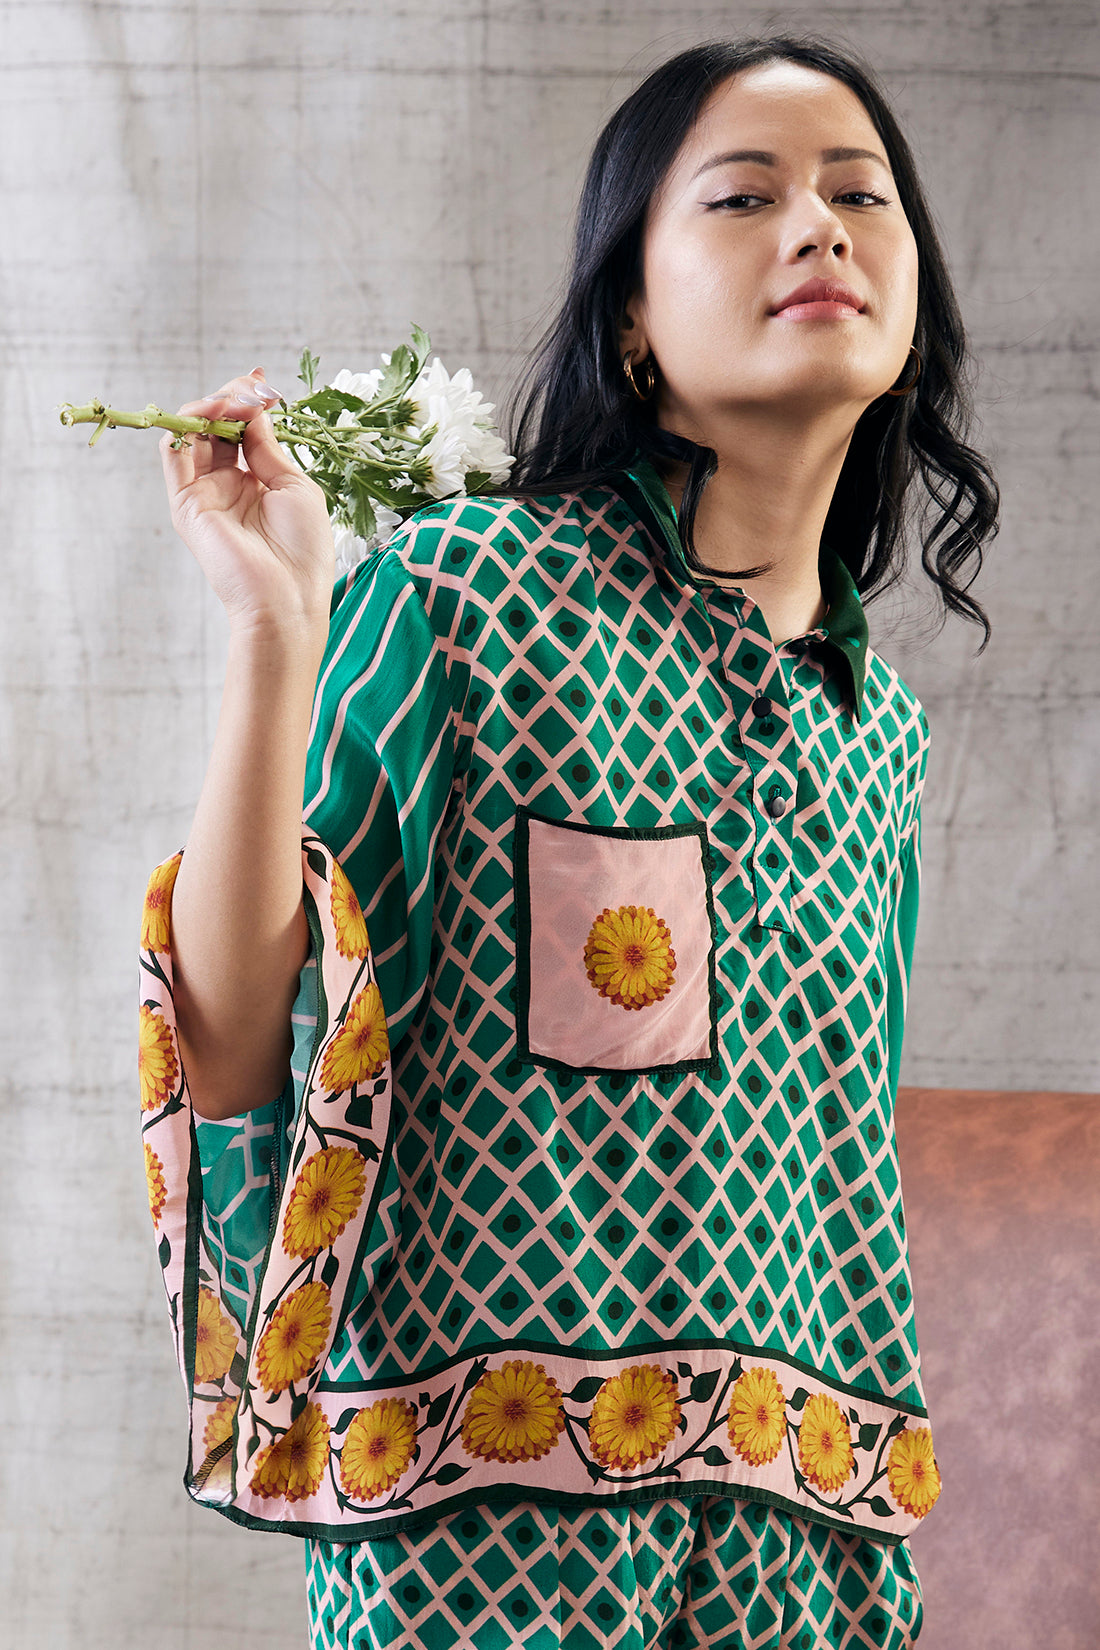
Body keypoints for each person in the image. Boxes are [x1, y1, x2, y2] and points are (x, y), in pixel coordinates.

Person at [140, 32, 998, 1650]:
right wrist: (275, 633)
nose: (819, 225)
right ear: (632, 322)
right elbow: (245, 1047)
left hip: (803, 1547)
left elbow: (846, 1183)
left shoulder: (875, 730)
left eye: (860, 194)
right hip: (487, 1557)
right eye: (744, 197)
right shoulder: (467, 598)